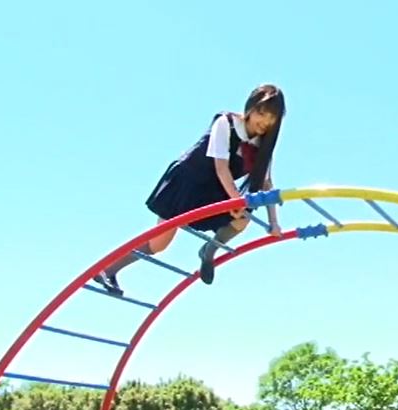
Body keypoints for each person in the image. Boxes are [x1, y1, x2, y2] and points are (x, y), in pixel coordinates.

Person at [94, 84, 286, 294]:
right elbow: (221, 167)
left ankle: (208, 250)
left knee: (243, 219)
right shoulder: (227, 123)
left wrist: (274, 222)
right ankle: (108, 270)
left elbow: (267, 185)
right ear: (250, 107)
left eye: (271, 120)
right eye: (262, 114)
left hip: (214, 192)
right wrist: (236, 200)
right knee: (159, 243)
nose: (264, 122)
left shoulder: (262, 146)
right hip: (189, 182)